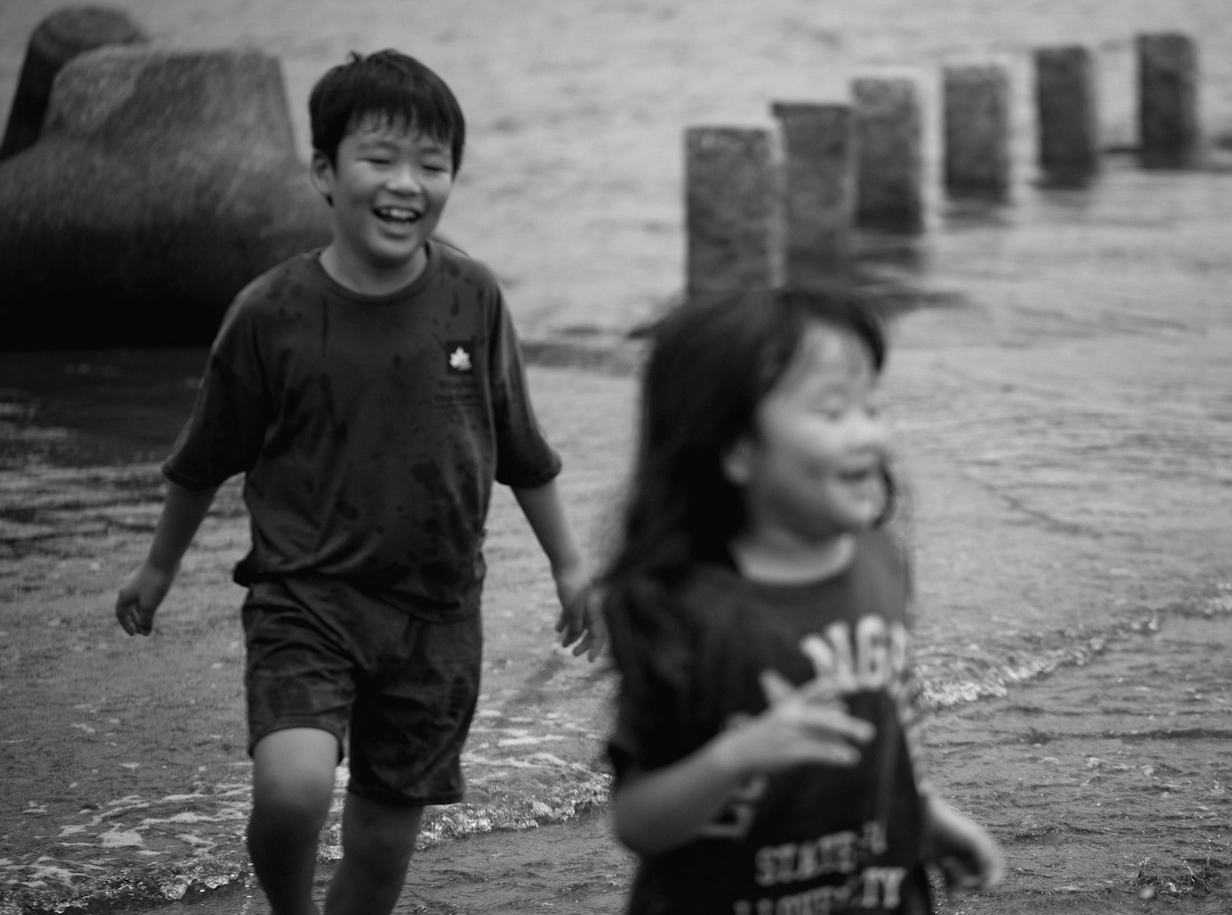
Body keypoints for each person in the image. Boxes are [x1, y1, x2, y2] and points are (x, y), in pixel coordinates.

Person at [113, 49, 602, 915]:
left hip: (438, 615)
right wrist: (158, 570)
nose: (406, 183)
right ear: (323, 172)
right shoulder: (272, 313)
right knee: (295, 790)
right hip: (307, 596)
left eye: (433, 164)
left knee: (381, 844)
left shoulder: (473, 297)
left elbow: (522, 448)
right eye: (379, 159)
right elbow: (201, 459)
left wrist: (570, 566)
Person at [600, 286, 1004, 914]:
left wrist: (924, 819)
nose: (869, 434)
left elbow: (884, 739)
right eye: (834, 412)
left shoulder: (881, 559)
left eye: (872, 407)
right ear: (737, 447)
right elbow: (637, 820)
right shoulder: (684, 609)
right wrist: (737, 755)